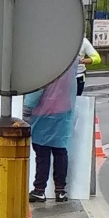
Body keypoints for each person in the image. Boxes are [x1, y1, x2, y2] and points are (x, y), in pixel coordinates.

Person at [27, 63, 77, 203]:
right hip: (64, 109)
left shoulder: (45, 62)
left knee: (42, 152)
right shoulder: (69, 60)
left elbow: (36, 89)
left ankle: (39, 189)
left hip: (43, 112)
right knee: (60, 150)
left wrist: (27, 107)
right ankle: (60, 190)